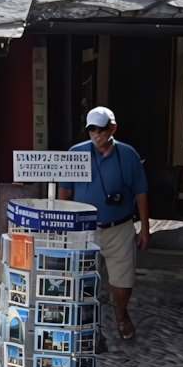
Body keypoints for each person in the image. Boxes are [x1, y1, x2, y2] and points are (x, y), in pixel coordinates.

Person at [59, 106, 150, 342]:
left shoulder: (128, 154)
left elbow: (140, 192)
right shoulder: (76, 153)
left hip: (119, 227)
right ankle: (84, 323)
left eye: (101, 129)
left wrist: (145, 230)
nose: (96, 134)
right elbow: (65, 192)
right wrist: (59, 226)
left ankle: (120, 314)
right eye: (92, 129)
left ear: (112, 128)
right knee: (80, 278)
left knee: (123, 278)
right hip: (84, 227)